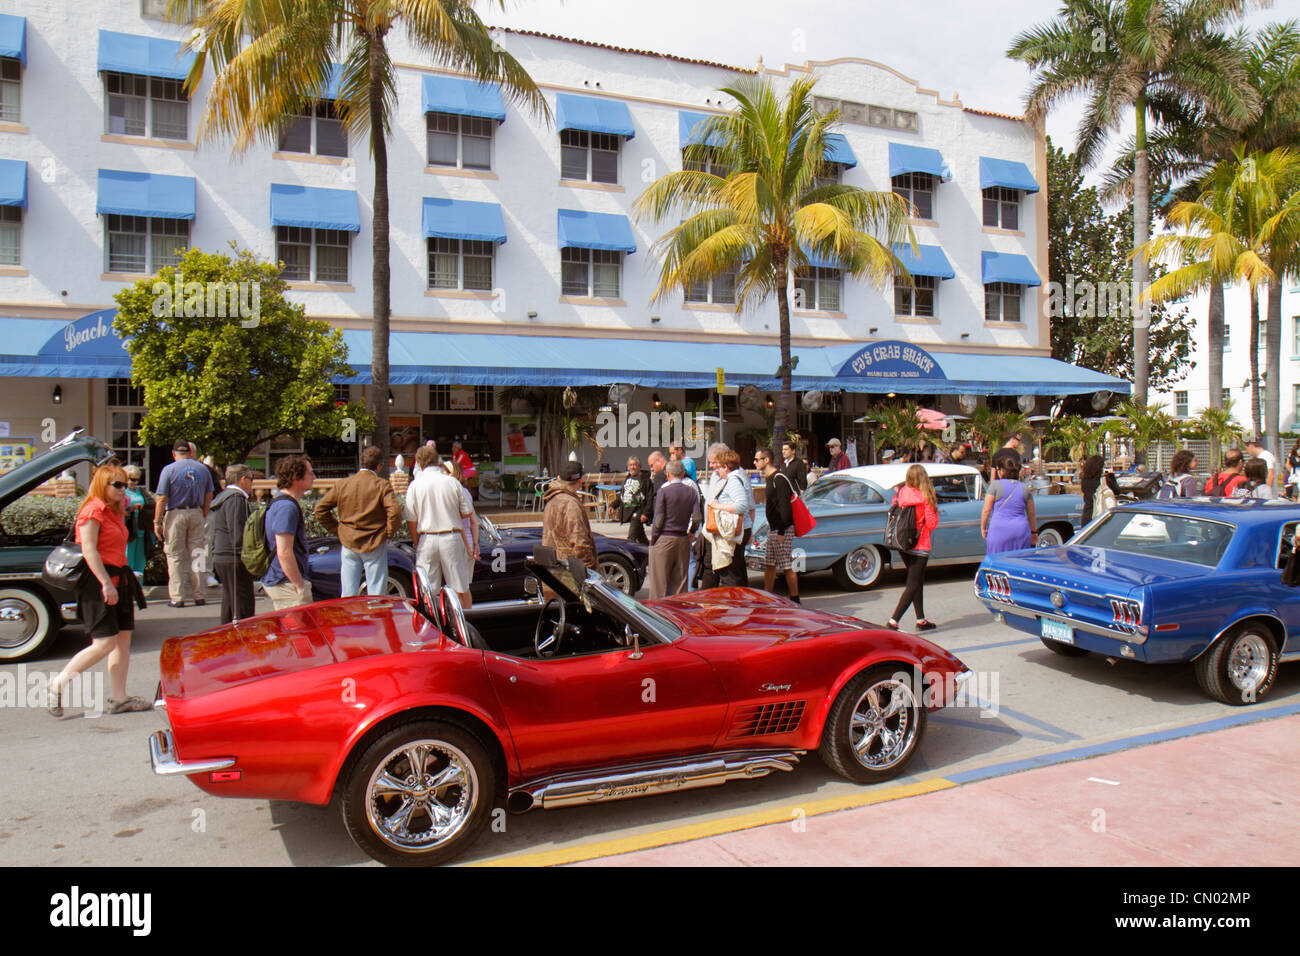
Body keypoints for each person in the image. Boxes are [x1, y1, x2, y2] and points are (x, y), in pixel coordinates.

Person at [47, 461, 150, 716]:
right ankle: (56, 685)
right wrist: (105, 583)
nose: (123, 489)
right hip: (99, 581)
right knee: (104, 643)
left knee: (122, 643)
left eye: (125, 485)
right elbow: (89, 550)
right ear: (102, 485)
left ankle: (119, 698)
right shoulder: (92, 511)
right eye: (117, 485)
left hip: (120, 577)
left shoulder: (114, 510)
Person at [314, 447, 403, 598]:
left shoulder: (343, 484)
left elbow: (320, 509)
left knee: (348, 592)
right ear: (379, 466)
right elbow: (395, 512)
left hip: (349, 540)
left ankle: (350, 619)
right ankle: (375, 619)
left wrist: (338, 529)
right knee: (376, 592)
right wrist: (388, 532)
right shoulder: (381, 485)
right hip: (374, 541)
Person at [404, 446, 475, 603]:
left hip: (427, 537)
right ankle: (465, 624)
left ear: (419, 463)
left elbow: (411, 519)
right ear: (438, 461)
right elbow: (467, 512)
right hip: (451, 535)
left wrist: (417, 543)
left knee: (427, 592)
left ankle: (432, 624)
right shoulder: (452, 482)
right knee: (460, 589)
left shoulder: (415, 485)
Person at [153, 439, 215, 608]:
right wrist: (203, 512)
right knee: (198, 553)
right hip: (196, 511)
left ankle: (178, 597)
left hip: (176, 513)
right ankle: (200, 594)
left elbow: (162, 497)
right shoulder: (202, 469)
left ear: (174, 453)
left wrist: (157, 521)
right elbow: (209, 494)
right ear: (189, 452)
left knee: (175, 556)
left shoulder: (169, 469)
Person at [887, 464, 940, 631]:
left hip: (903, 543)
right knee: (913, 585)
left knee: (918, 581)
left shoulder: (901, 493)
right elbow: (932, 524)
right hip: (920, 544)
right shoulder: (926, 496)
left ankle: (921, 619)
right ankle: (893, 621)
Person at [261, 455, 316, 610]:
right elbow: (284, 552)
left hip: (283, 580)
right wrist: (299, 585)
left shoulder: (282, 502)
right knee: (298, 631)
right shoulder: (287, 507)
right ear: (296, 477)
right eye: (310, 473)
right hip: (286, 582)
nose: (314, 477)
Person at [701, 446, 752, 588]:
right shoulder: (735, 478)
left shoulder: (733, 480)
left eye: (718, 467)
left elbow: (741, 505)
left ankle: (733, 605)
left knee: (730, 572)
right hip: (738, 531)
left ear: (726, 467)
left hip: (734, 532)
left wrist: (718, 506)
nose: (716, 470)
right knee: (735, 571)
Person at [210, 464, 256, 623]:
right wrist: (248, 558)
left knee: (230, 603)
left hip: (223, 556)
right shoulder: (236, 499)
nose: (252, 484)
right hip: (233, 557)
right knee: (243, 606)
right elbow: (238, 533)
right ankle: (241, 640)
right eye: (251, 479)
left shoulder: (225, 497)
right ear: (243, 479)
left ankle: (227, 638)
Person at [648, 459, 699, 598]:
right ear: (683, 474)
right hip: (682, 538)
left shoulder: (664, 491)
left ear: (667, 473)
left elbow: (658, 519)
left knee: (659, 585)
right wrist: (692, 532)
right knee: (680, 585)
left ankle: (657, 616)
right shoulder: (691, 492)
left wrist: (654, 538)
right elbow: (696, 517)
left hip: (664, 536)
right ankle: (677, 615)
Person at [754, 447, 800, 603]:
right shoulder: (770, 478)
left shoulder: (778, 479)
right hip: (774, 528)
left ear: (766, 460)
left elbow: (785, 508)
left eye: (757, 459)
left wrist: (781, 531)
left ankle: (795, 598)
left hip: (783, 528)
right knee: (769, 564)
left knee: (786, 565)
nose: (754, 462)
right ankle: (768, 597)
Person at [541, 460, 598, 571]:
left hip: (554, 569)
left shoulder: (552, 500)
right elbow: (580, 543)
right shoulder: (571, 504)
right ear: (581, 480)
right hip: (570, 573)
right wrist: (589, 570)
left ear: (559, 478)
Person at [982, 450, 1037, 554]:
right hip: (1020, 530)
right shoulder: (1024, 488)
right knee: (1019, 563)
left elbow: (986, 510)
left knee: (997, 562)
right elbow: (1031, 514)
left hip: (999, 530)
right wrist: (1034, 532)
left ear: (1002, 471)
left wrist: (983, 528)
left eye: (998, 469)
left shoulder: (995, 486)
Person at [443, 457, 481, 607]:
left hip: (461, 542)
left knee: (460, 588)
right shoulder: (464, 492)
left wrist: (469, 545)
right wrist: (474, 544)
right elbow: (473, 521)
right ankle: (465, 618)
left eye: (446, 471)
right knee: (462, 586)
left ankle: (464, 619)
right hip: (466, 542)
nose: (442, 474)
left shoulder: (457, 492)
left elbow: (465, 521)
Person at [122, 464, 154, 581]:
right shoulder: (121, 492)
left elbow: (151, 504)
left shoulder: (141, 491)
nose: (135, 482)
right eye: (132, 479)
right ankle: (128, 588)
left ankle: (139, 589)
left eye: (137, 479)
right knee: (127, 559)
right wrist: (131, 508)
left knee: (141, 560)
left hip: (141, 529)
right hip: (128, 530)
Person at [630, 450, 667, 545]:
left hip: (663, 520)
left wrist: (648, 513)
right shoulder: (671, 471)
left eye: (652, 465)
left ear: (658, 461)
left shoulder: (660, 476)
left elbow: (656, 498)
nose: (651, 469)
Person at [1079, 455, 1121, 524]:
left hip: (1087, 514)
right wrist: (1111, 476)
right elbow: (1117, 491)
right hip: (1100, 515)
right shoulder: (1104, 481)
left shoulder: (1085, 481)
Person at [617, 457, 648, 524]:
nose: (632, 467)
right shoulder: (627, 479)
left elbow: (649, 499)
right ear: (628, 467)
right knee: (637, 534)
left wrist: (645, 513)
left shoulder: (645, 480)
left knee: (633, 533)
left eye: (634, 465)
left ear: (639, 467)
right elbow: (621, 496)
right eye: (630, 465)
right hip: (626, 516)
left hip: (637, 514)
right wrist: (613, 506)